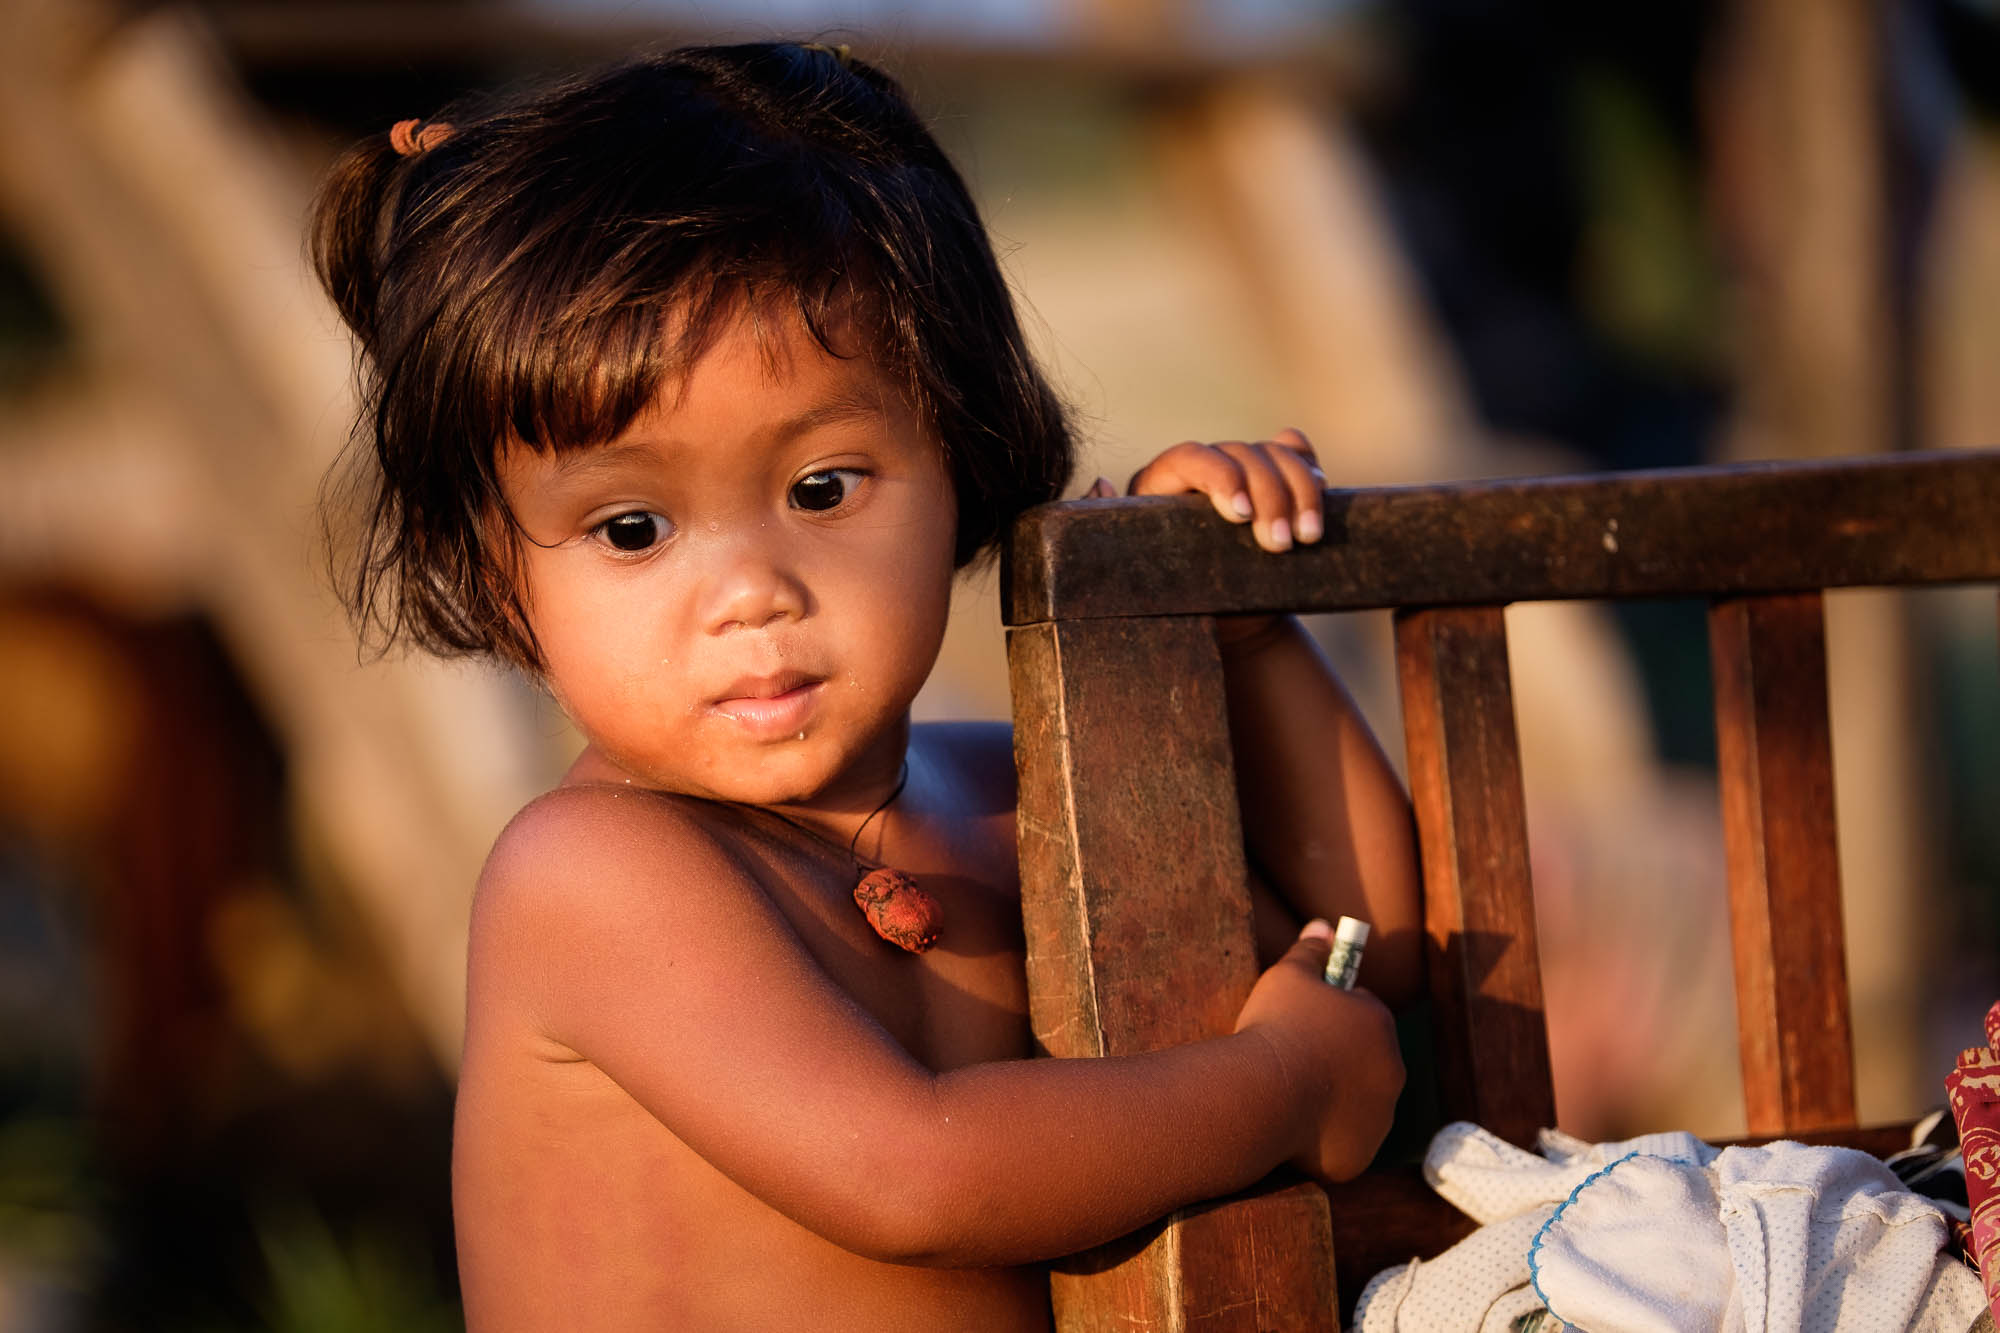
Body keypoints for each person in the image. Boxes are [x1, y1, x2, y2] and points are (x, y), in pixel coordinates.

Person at [310, 40, 1421, 1332]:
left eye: (821, 488)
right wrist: (1279, 1086)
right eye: (632, 529)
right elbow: (916, 1177)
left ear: (962, 453)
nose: (749, 592)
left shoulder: (1008, 793)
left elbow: (1362, 947)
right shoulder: (592, 876)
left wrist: (1237, 627)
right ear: (496, 573)